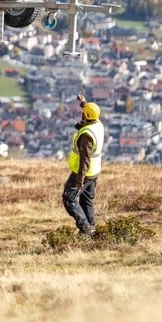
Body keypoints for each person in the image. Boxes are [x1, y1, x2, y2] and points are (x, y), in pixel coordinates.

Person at [63, 94, 105, 237]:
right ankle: (92, 231)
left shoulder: (86, 135)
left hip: (83, 173)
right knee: (86, 199)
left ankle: (85, 227)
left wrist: (79, 180)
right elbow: (90, 112)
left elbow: (84, 160)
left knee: (69, 198)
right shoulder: (97, 124)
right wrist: (83, 103)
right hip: (94, 171)